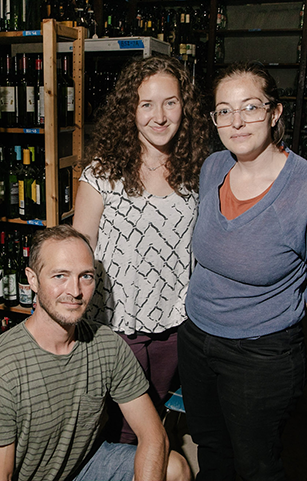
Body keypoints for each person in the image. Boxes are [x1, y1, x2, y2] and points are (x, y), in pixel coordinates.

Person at [178, 61, 307, 481]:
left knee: (256, 464)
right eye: (224, 110)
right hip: (197, 338)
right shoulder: (214, 168)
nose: (237, 122)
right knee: (210, 446)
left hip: (260, 355)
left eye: (250, 107)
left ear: (274, 113)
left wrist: (270, 318)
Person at [0, 225, 191, 481]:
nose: (75, 291)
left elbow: (153, 434)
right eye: (60, 276)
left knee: (175, 469)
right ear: (32, 279)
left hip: (83, 468)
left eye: (86, 276)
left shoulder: (106, 344)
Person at [72, 55, 209, 444]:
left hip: (173, 328)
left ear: (185, 106)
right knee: (118, 428)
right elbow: (82, 250)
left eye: (171, 102)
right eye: (146, 104)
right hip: (115, 327)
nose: (160, 116)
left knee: (153, 415)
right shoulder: (102, 174)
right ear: (130, 111)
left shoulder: (198, 173)